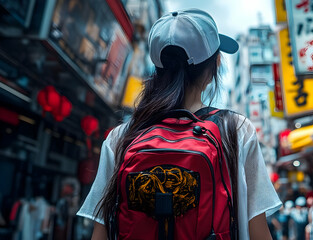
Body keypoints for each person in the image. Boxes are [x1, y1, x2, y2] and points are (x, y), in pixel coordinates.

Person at [76, 8, 282, 240]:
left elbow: (100, 232)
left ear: (159, 69)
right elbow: (258, 232)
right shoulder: (235, 129)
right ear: (214, 65)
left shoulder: (123, 136)